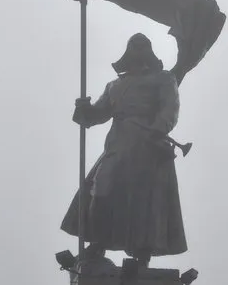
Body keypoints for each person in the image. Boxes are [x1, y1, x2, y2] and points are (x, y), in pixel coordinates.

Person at [60, 33, 187, 267]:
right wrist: (84, 109)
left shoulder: (163, 79)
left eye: (142, 47)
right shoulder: (115, 85)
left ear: (149, 52)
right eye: (134, 47)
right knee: (101, 187)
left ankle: (142, 252)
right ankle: (97, 243)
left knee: (145, 199)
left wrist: (158, 128)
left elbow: (170, 108)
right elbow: (97, 115)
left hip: (148, 144)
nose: (138, 51)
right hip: (118, 144)